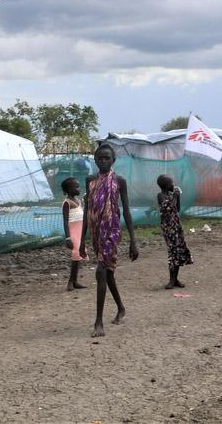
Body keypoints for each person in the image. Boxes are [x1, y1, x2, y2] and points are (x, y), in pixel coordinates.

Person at [80, 144, 138, 338]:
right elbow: (88, 211)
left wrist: (133, 241)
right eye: (100, 158)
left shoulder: (119, 181)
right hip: (96, 233)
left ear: (113, 160)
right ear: (95, 160)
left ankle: (98, 322)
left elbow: (127, 211)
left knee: (101, 272)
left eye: (107, 158)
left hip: (111, 232)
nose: (103, 161)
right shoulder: (90, 181)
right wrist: (81, 241)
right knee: (108, 274)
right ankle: (121, 307)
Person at [156, 175, 193, 289]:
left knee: (178, 252)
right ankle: (171, 280)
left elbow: (177, 209)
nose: (174, 185)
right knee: (173, 253)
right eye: (172, 183)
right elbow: (167, 209)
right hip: (169, 229)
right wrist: (175, 198)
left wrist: (177, 197)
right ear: (166, 185)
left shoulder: (171, 195)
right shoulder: (161, 196)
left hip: (176, 227)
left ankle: (175, 279)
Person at [61, 177, 88, 290]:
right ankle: (70, 282)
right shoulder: (67, 203)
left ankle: (75, 281)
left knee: (78, 257)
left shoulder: (78, 201)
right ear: (69, 189)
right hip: (73, 233)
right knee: (76, 255)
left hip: (80, 232)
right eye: (76, 187)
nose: (78, 188)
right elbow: (66, 221)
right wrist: (68, 238)